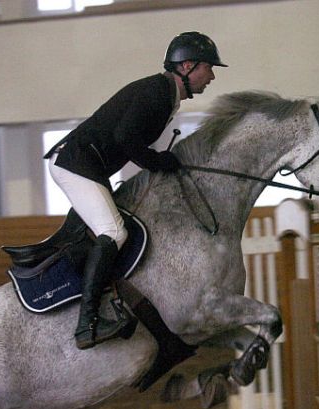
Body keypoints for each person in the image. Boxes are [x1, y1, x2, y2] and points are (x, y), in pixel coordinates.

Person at [43, 31, 227, 350]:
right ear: (187, 65)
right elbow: (126, 138)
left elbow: (127, 140)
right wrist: (158, 161)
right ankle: (87, 324)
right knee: (113, 232)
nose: (211, 76)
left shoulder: (165, 95)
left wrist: (157, 161)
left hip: (88, 166)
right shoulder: (157, 92)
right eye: (208, 67)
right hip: (73, 164)